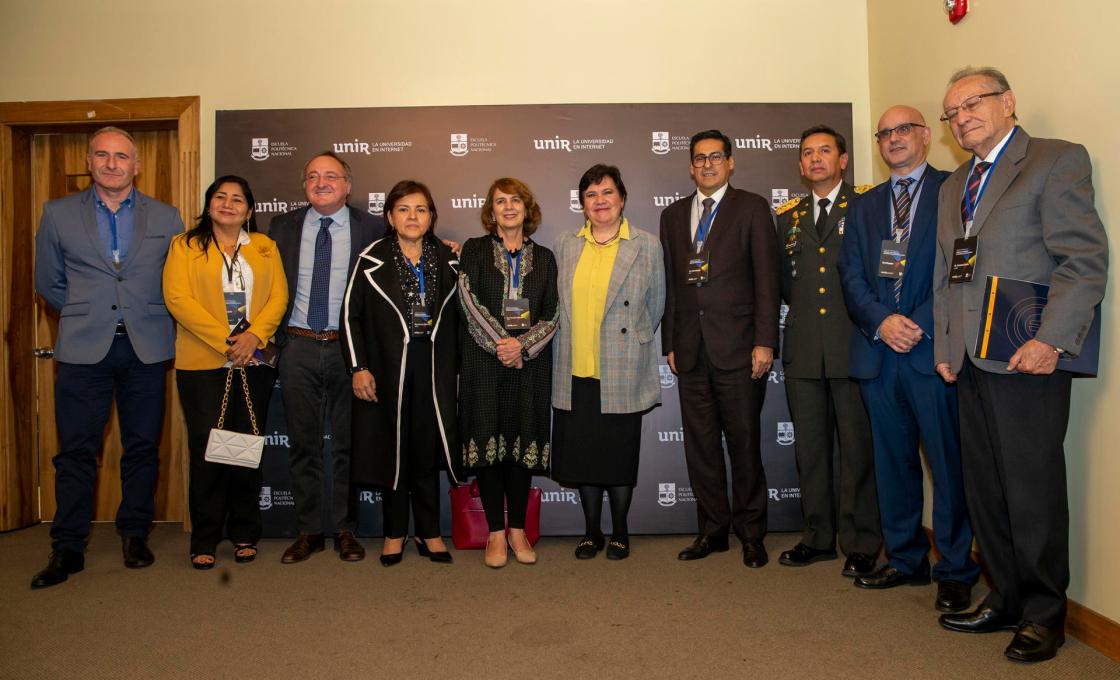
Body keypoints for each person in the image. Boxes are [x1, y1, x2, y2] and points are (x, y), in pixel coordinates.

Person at [932, 67, 1108, 663]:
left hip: (1028, 356)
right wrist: (945, 348)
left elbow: (1082, 260)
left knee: (1031, 491)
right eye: (952, 113)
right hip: (970, 360)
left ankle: (1044, 614)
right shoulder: (955, 182)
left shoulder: (1055, 160)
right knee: (986, 489)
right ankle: (1003, 595)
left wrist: (1052, 341)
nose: (962, 118)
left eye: (972, 103)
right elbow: (946, 275)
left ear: (1008, 102)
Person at [837, 107, 979, 611]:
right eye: (885, 133)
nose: (894, 139)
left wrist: (914, 320)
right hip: (879, 353)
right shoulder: (865, 205)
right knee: (892, 464)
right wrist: (881, 321)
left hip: (930, 351)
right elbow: (850, 274)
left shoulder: (954, 189)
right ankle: (905, 560)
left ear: (926, 136)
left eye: (903, 130)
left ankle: (957, 569)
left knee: (947, 465)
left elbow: (961, 265)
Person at [31, 126, 183, 589]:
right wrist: (87, 313)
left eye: (121, 157)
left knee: (141, 447)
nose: (111, 163)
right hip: (83, 349)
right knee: (76, 452)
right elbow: (49, 283)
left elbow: (175, 282)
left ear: (136, 165)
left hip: (146, 347)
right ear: (90, 161)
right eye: (102, 155)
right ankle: (68, 547)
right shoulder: (57, 214)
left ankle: (135, 534)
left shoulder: (167, 216)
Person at [661, 130, 780, 568]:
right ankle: (712, 531)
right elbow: (675, 286)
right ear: (690, 166)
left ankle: (751, 533)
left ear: (730, 162)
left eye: (715, 157)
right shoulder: (673, 216)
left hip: (740, 349)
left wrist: (765, 340)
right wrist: (671, 341)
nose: (707, 164)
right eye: (699, 158)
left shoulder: (751, 208)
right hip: (691, 351)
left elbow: (768, 280)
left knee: (745, 444)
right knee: (702, 447)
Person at [163, 176, 287, 569]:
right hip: (204, 362)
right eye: (221, 197)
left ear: (250, 211)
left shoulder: (265, 247)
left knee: (245, 448)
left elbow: (278, 297)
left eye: (238, 200)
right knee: (208, 448)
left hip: (254, 362)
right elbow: (178, 299)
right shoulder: (184, 246)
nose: (229, 204)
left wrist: (254, 336)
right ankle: (205, 536)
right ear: (209, 204)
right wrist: (227, 340)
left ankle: (245, 532)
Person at [774, 125, 880, 578]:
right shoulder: (788, 217)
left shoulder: (867, 207)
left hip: (852, 346)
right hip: (803, 350)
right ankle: (817, 537)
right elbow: (784, 284)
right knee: (811, 452)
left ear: (843, 160)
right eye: (807, 153)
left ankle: (861, 541)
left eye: (824, 151)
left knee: (858, 451)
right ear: (800, 166)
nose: (815, 159)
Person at [342, 180, 460, 566]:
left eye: (421, 209)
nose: (413, 217)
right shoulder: (371, 258)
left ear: (431, 217)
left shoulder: (449, 260)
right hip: (387, 369)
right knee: (392, 451)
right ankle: (395, 533)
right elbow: (350, 317)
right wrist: (358, 367)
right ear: (390, 216)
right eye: (404, 209)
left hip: (433, 368)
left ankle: (429, 532)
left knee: (425, 452)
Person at [268, 152, 379, 564]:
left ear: (348, 185)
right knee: (303, 443)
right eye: (312, 176)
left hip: (347, 348)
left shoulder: (371, 227)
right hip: (297, 345)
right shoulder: (282, 227)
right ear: (304, 186)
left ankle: (346, 529)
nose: (321, 182)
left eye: (331, 176)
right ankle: (309, 530)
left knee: (348, 443)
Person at [552, 164, 665, 561]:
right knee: (583, 455)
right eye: (591, 195)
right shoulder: (566, 244)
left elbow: (656, 307)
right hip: (575, 365)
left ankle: (619, 531)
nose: (600, 201)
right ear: (581, 204)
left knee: (618, 456)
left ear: (622, 198)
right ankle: (590, 532)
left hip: (621, 366)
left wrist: (628, 342)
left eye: (607, 193)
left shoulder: (646, 244)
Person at [458, 178, 558, 568]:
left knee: (520, 446)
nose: (509, 207)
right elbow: (467, 300)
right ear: (491, 210)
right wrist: (504, 345)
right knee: (488, 447)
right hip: (484, 364)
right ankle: (495, 535)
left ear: (527, 207)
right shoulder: (475, 250)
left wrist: (523, 348)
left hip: (529, 367)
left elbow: (553, 313)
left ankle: (517, 529)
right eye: (500, 201)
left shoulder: (546, 258)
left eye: (515, 200)